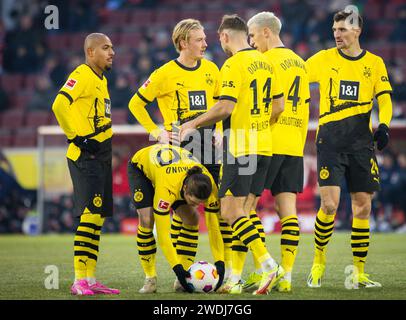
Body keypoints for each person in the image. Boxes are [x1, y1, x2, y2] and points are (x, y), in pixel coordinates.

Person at [180, 14, 285, 295]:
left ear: (225, 36)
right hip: (264, 145)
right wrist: (260, 126)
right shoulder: (266, 61)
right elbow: (279, 106)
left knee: (229, 211)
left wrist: (193, 123)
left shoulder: (232, 64)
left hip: (240, 146)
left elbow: (225, 107)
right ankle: (235, 278)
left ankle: (268, 264)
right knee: (246, 213)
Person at [128, 18, 232, 290]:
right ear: (183, 42)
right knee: (176, 216)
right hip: (180, 151)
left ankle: (189, 275)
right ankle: (166, 274)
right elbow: (135, 104)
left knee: (209, 212)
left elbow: (220, 104)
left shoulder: (211, 69)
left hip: (208, 147)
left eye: (205, 38)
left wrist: (219, 130)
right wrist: (157, 131)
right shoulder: (163, 73)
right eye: (199, 39)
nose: (205, 43)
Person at [305, 10, 393, 289]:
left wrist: (384, 126)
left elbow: (385, 99)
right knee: (329, 204)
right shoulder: (322, 59)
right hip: (330, 141)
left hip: (360, 145)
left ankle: (359, 272)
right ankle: (318, 263)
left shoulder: (375, 63)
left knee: (363, 207)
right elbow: (295, 77)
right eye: (334, 30)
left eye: (342, 29)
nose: (336, 35)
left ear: (357, 31)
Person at [236, 11, 310, 293]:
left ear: (266, 32)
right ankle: (287, 276)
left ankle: (262, 268)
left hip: (267, 142)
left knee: (245, 208)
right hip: (294, 143)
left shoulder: (262, 61)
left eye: (253, 36)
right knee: (287, 210)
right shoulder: (300, 64)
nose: (252, 43)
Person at [52, 33, 119, 295]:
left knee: (98, 218)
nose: (112, 52)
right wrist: (77, 138)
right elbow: (59, 105)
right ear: (90, 52)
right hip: (85, 154)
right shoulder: (81, 74)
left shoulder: (101, 80)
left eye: (112, 47)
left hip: (100, 154)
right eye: (105, 48)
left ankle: (90, 279)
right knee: (89, 216)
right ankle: (79, 279)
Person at [127, 144, 224, 293]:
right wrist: (176, 267)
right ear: (185, 189)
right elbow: (163, 236)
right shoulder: (167, 189)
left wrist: (220, 261)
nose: (197, 205)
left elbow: (213, 228)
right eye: (193, 202)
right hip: (142, 168)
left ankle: (183, 279)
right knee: (147, 220)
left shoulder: (209, 186)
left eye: (200, 203)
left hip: (173, 171)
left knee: (192, 219)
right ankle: (150, 279)